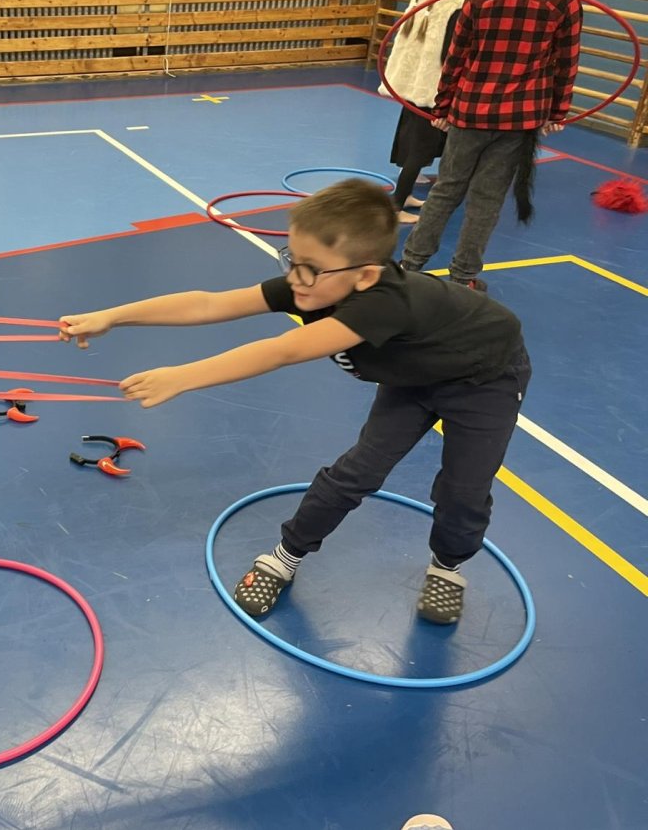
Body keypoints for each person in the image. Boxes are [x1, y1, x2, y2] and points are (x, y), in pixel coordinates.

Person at [59, 179, 530, 624]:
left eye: (309, 267)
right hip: (413, 374)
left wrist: (183, 377)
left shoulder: (382, 303)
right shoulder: (315, 282)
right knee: (356, 473)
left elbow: (282, 350)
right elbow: (208, 303)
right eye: (292, 259)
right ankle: (285, 557)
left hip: (484, 377)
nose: (294, 277)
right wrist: (111, 316)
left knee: (464, 489)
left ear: (366, 275)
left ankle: (448, 566)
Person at [400, 0, 582, 291]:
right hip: (520, 117)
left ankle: (409, 266)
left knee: (447, 189)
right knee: (487, 197)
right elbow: (566, 63)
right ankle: (463, 278)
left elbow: (457, 56)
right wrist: (557, 112)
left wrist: (443, 106)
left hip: (470, 109)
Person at [380, 0, 478, 224]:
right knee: (420, 150)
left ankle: (405, 194)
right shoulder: (456, 3)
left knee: (412, 141)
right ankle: (396, 206)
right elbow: (449, 54)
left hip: (411, 83)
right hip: (431, 89)